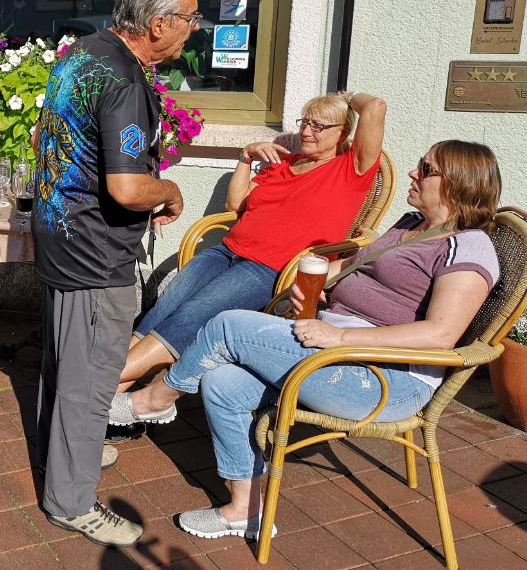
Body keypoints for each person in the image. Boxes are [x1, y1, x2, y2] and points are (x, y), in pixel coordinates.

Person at [113, 140, 502, 541]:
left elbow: (441, 334)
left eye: (425, 168)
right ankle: (243, 510)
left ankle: (155, 400)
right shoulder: (410, 224)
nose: (413, 173)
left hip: (383, 378)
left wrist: (340, 335)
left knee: (227, 324)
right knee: (221, 382)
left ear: (457, 184)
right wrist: (318, 284)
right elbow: (354, 265)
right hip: (337, 348)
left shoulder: (469, 245)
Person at [30, 0, 193, 547]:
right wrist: (170, 191)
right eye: (190, 18)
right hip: (95, 253)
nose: (193, 29)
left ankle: (68, 451)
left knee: (63, 364)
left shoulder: (84, 52)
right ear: (157, 23)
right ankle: (70, 500)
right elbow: (127, 188)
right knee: (90, 378)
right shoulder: (123, 79)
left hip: (59, 238)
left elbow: (50, 139)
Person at [108, 90, 386, 427]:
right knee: (165, 308)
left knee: (192, 315)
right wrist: (245, 156)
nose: (307, 132)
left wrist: (349, 97)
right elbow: (235, 205)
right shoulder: (285, 162)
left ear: (343, 132)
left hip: (268, 268)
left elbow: (375, 108)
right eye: (305, 122)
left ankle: (96, 396)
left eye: (319, 126)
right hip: (227, 251)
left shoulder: (351, 171)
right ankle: (106, 404)